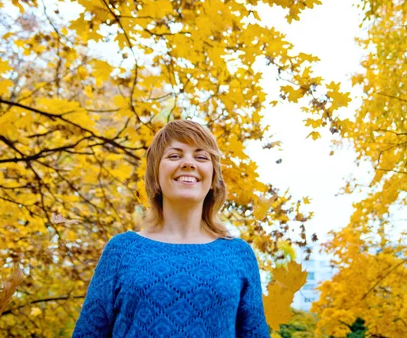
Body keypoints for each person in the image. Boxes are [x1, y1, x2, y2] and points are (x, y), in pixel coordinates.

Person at [72, 120, 270, 337]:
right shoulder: (122, 251)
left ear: (213, 177)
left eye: (201, 157)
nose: (188, 163)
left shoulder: (238, 254)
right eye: (175, 155)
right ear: (155, 175)